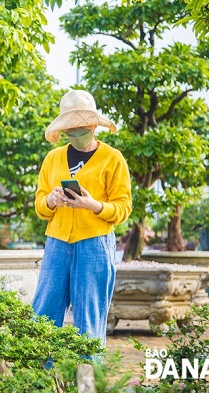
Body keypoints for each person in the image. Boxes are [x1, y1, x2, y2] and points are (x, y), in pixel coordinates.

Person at [33, 90, 132, 346]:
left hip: (94, 244)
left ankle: (87, 380)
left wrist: (93, 205)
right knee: (42, 313)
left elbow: (123, 208)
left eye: (82, 129)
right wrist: (50, 201)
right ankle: (38, 376)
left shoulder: (113, 158)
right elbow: (40, 205)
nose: (77, 135)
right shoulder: (52, 158)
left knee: (89, 319)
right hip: (56, 243)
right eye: (71, 131)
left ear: (94, 126)